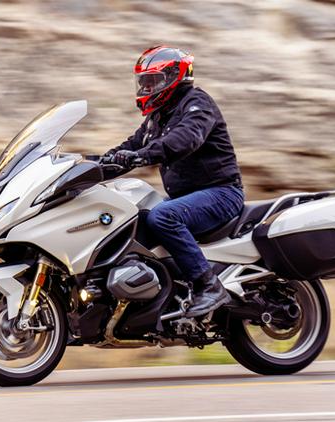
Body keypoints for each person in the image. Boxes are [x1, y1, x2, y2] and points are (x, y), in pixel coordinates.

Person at [104, 46, 244, 317]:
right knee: (133, 217)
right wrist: (90, 165)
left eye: (152, 81)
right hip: (187, 197)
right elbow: (130, 146)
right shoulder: (158, 117)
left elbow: (185, 139)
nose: (146, 88)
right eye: (143, 82)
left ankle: (209, 286)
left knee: (163, 217)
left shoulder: (197, 104)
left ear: (173, 78)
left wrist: (142, 156)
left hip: (222, 193)